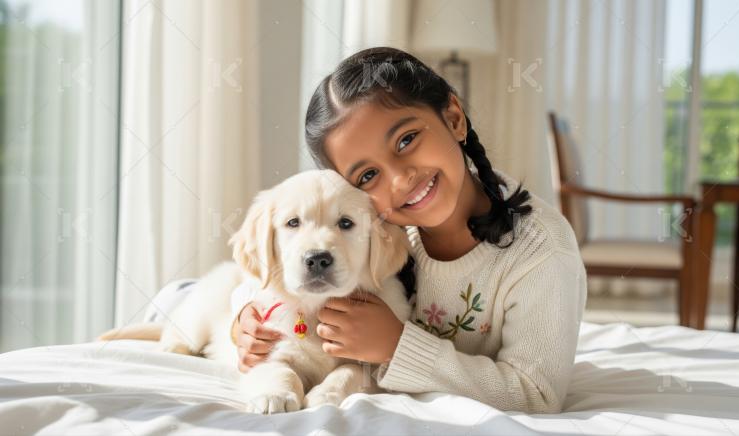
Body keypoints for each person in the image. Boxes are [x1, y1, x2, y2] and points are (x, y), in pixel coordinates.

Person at [230, 46, 587, 413]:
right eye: (368, 175)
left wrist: (397, 347)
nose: (400, 180)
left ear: (453, 118)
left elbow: (537, 395)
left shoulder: (542, 251)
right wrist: (244, 320)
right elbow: (270, 274)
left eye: (406, 140)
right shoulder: (378, 226)